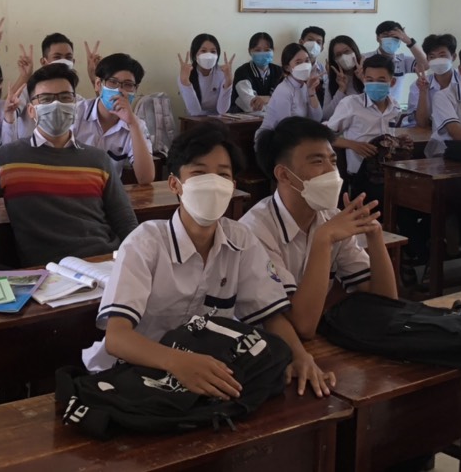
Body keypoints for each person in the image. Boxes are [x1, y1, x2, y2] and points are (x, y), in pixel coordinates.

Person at [81, 122, 333, 398]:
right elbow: (117, 338)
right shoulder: (145, 243)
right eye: (199, 173)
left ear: (232, 187)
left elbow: (271, 316)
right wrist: (177, 362)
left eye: (223, 175)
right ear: (175, 184)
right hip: (131, 373)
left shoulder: (241, 240)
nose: (213, 184)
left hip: (201, 375)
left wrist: (300, 356)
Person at [242, 117, 397, 339]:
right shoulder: (255, 231)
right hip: (262, 345)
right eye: (317, 162)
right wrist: (323, 240)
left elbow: (386, 305)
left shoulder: (330, 218)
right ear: (284, 175)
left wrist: (375, 235)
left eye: (333, 161)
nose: (331, 171)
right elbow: (302, 326)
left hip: (312, 342)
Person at [0, 66, 138, 267]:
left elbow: (125, 221)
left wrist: (136, 263)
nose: (56, 104)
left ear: (75, 106)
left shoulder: (98, 160)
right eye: (46, 99)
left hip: (104, 262)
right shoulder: (8, 158)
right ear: (31, 110)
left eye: (65, 97)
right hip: (50, 271)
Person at [325, 54, 403, 199]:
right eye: (369, 80)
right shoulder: (351, 104)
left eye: (381, 80)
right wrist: (352, 145)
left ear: (392, 82)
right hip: (360, 177)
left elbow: (389, 136)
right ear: (364, 79)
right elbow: (324, 136)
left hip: (387, 173)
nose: (374, 84)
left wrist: (399, 141)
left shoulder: (395, 107)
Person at [75, 53, 155, 184]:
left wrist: (132, 124)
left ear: (135, 90)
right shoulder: (76, 114)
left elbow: (146, 178)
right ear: (98, 84)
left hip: (109, 192)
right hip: (72, 188)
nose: (120, 90)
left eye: (128, 84)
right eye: (113, 82)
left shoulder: (136, 124)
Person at [0, 32, 77, 142]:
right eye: (57, 57)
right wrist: (24, 77)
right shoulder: (29, 92)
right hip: (28, 150)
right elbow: (8, 110)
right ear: (43, 61)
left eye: (68, 57)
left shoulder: (76, 98)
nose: (64, 61)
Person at [256, 44, 322, 140]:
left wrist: (311, 91)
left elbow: (317, 118)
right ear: (287, 67)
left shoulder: (305, 87)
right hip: (272, 140)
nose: (305, 65)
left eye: (307, 61)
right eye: (298, 62)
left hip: (295, 137)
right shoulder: (284, 90)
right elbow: (286, 127)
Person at [177, 33, 235, 117]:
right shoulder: (185, 75)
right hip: (195, 120)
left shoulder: (223, 73)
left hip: (219, 119)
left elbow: (222, 110)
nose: (209, 56)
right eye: (203, 51)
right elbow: (194, 111)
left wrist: (229, 81)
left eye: (213, 51)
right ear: (195, 54)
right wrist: (185, 82)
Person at [233, 33, 284, 112]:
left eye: (267, 50)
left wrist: (267, 99)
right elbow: (253, 106)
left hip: (276, 117)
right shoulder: (242, 72)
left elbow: (287, 100)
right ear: (249, 51)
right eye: (257, 50)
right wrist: (275, 100)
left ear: (273, 50)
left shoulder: (280, 71)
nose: (262, 53)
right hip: (245, 118)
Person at [363, 20, 429, 77]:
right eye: (386, 35)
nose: (390, 39)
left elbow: (425, 65)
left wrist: (409, 42)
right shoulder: (364, 58)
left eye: (395, 37)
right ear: (378, 38)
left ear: (400, 40)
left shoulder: (403, 60)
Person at [323, 35, 364, 119]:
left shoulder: (370, 74)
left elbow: (379, 106)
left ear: (354, 51)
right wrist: (341, 90)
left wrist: (365, 81)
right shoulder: (333, 81)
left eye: (347, 51)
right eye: (338, 55)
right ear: (334, 60)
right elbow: (326, 115)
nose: (343, 57)